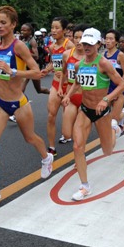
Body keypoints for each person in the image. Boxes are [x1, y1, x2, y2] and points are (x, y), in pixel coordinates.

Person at [0, 5, 54, 206]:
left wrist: (13, 73)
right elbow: (1, 71)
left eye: (3, 22)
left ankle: (46, 158)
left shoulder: (19, 46)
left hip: (18, 103)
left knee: (30, 138)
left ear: (13, 24)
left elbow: (37, 72)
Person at [61, 28, 124, 201]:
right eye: (84, 43)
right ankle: (84, 186)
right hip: (85, 110)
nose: (87, 46)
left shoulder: (103, 63)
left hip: (102, 112)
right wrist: (68, 96)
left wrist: (106, 99)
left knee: (107, 151)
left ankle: (115, 129)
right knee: (77, 146)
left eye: (91, 43)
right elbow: (76, 83)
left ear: (98, 44)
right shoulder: (78, 65)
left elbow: (122, 85)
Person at [43, 17, 75, 156]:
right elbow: (54, 63)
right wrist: (47, 69)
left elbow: (75, 64)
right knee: (51, 115)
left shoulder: (69, 46)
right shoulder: (51, 46)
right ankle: (51, 147)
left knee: (68, 117)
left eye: (57, 28)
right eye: (52, 27)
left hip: (69, 86)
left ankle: (75, 143)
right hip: (56, 84)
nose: (53, 30)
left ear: (64, 30)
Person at [59, 24, 88, 143]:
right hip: (70, 97)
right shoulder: (67, 54)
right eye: (76, 37)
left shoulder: (91, 57)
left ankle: (81, 156)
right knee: (66, 133)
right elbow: (63, 72)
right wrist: (61, 87)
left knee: (79, 133)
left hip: (85, 98)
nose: (78, 41)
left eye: (81, 38)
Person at [103, 29, 124, 136]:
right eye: (106, 39)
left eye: (111, 39)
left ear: (116, 42)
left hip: (118, 89)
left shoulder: (120, 55)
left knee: (114, 118)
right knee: (105, 116)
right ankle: (123, 114)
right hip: (107, 89)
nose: (108, 41)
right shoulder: (103, 55)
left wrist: (119, 89)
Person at [20, 23, 50, 95]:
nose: (22, 32)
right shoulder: (23, 40)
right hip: (24, 67)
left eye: (24, 30)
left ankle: (53, 94)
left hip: (32, 67)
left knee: (39, 89)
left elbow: (36, 56)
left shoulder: (32, 41)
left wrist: (24, 54)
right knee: (20, 89)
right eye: (21, 30)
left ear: (30, 31)